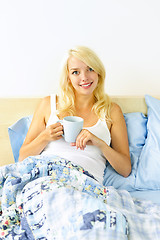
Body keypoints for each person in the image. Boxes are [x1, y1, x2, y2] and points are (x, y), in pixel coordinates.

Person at [19, 46, 131, 184]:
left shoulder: (111, 111)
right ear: (68, 77)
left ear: (99, 73)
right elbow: (22, 157)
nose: (84, 77)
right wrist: (45, 136)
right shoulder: (48, 104)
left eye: (90, 69)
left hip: (86, 185)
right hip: (46, 179)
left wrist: (100, 144)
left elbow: (125, 169)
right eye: (76, 72)